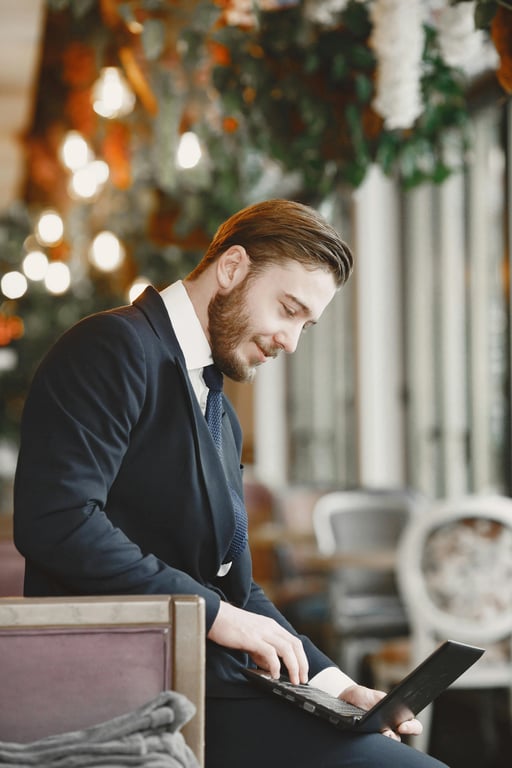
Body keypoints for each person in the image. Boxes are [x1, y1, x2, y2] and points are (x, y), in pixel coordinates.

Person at [13, 199, 448, 768]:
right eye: (288, 310)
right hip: (126, 687)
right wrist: (214, 615)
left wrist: (339, 687)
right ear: (232, 267)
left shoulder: (219, 406)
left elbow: (236, 589)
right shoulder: (112, 347)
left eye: (306, 325)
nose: (292, 341)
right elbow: (58, 521)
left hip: (204, 683)